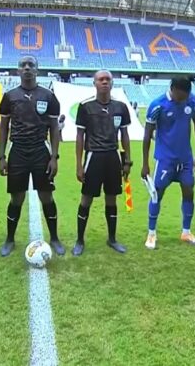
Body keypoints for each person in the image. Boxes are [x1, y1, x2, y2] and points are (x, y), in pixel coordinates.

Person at [0, 56, 65, 257]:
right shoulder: (10, 96)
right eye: (23, 65)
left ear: (37, 70)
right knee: (16, 198)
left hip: (40, 151)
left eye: (31, 65)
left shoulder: (48, 96)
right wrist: (1, 156)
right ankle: (10, 239)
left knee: (46, 196)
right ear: (18, 70)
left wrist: (54, 157)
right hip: (17, 150)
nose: (27, 68)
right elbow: (3, 127)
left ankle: (54, 238)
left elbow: (54, 128)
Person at [141, 76, 195, 250]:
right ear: (173, 89)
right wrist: (145, 163)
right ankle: (151, 233)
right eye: (180, 96)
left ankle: (186, 232)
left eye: (186, 96)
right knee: (157, 194)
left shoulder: (193, 101)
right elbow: (147, 136)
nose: (183, 100)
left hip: (185, 159)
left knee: (189, 192)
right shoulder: (157, 105)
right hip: (165, 160)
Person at [73, 70, 132, 255]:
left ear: (112, 83)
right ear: (95, 83)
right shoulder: (86, 106)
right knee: (86, 199)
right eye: (101, 79)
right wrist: (79, 164)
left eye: (107, 79)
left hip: (113, 157)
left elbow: (124, 134)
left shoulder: (121, 107)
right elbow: (80, 136)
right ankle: (80, 240)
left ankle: (112, 239)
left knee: (111, 198)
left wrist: (127, 160)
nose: (104, 82)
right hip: (93, 156)